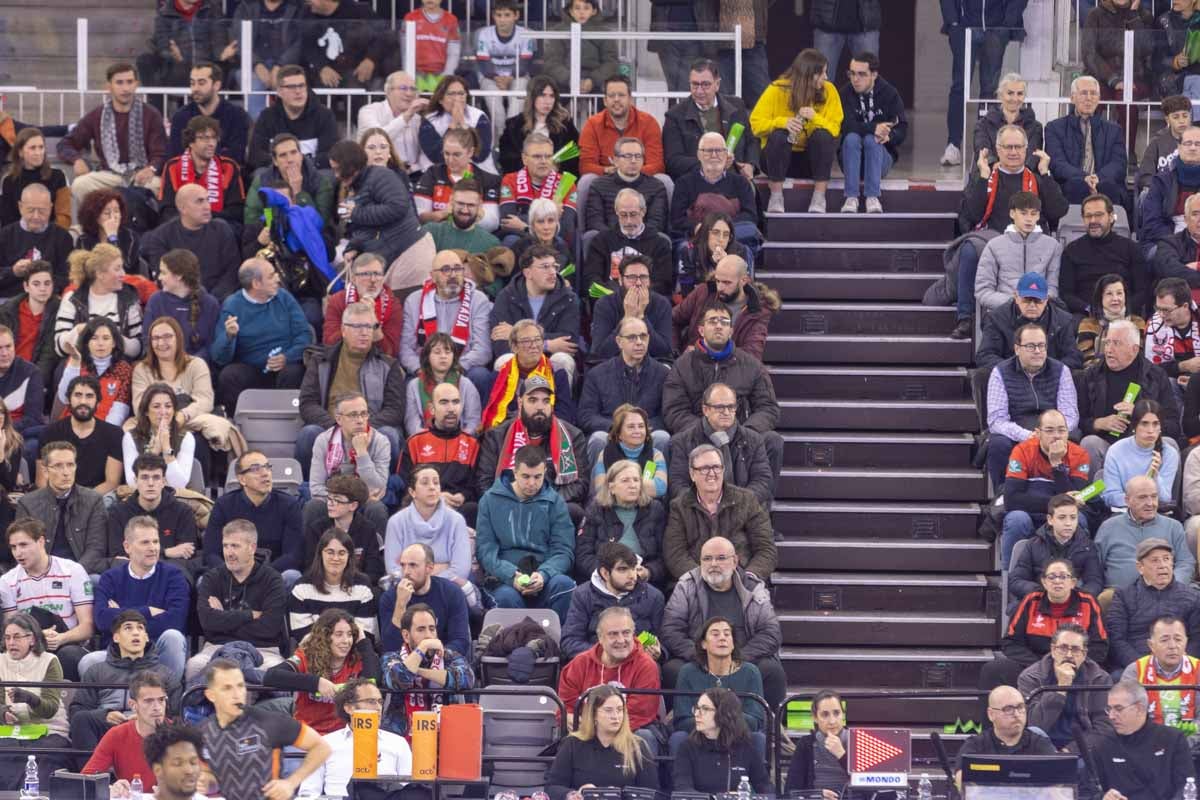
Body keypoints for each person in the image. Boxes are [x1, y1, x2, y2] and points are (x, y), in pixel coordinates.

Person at [950, 124, 1067, 339]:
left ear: (1026, 149)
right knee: (968, 250)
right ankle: (965, 317)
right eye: (1008, 147)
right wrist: (983, 177)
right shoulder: (986, 176)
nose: (1013, 152)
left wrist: (1045, 173)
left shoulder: (1037, 177)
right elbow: (972, 215)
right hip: (993, 241)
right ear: (997, 149)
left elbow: (1058, 210)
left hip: (1034, 242)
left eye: (1018, 147)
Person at [661, 535, 784, 709]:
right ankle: (685, 726)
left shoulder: (753, 587)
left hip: (744, 660)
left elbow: (771, 633)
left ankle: (767, 728)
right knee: (672, 670)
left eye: (720, 558)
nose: (713, 564)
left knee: (772, 671)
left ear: (735, 561)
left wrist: (737, 659)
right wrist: (702, 657)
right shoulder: (686, 585)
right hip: (699, 660)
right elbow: (670, 630)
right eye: (707, 559)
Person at [199, 657, 332, 796]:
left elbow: (322, 747)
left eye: (240, 686)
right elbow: (210, 777)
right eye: (227, 688)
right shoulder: (203, 732)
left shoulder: (268, 722)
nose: (236, 694)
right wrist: (206, 783)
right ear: (211, 695)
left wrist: (291, 783)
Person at [476, 442, 577, 618]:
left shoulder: (555, 502)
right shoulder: (490, 500)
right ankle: (513, 643)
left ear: (545, 472)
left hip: (544, 576)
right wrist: (510, 575)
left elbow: (563, 550)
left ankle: (559, 643)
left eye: (538, 477)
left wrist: (544, 574)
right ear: (514, 472)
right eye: (526, 476)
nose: (532, 483)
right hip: (504, 580)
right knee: (506, 598)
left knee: (564, 585)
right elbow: (486, 551)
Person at [984, 558, 1109, 691]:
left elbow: (1100, 647)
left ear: (1073, 582)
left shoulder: (1088, 602)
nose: (1057, 581)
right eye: (1051, 577)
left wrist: (1071, 664)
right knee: (992, 670)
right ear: (1044, 582)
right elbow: (1011, 643)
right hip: (1034, 665)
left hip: (1076, 666)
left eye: (1063, 577)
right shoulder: (1031, 601)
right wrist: (1042, 666)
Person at [89, 516, 190, 677]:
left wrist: (121, 616)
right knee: (87, 662)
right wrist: (148, 611)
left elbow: (176, 621)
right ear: (127, 547)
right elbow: (102, 620)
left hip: (156, 651)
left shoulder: (174, 575)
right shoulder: (110, 577)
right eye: (145, 542)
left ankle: (170, 697)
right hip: (118, 651)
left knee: (173, 637)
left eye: (156, 542)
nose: (153, 548)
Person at [210, 257, 312, 414]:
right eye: (271, 276)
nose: (278, 278)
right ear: (256, 284)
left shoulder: (283, 297)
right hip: (253, 370)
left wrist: (287, 357)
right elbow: (219, 357)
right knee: (230, 375)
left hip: (285, 366)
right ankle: (237, 429)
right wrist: (229, 337)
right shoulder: (232, 305)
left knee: (294, 373)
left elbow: (304, 334)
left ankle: (289, 424)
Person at [330, 140, 435, 294]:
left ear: (350, 165)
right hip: (392, 257)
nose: (336, 175)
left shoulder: (381, 175)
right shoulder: (360, 186)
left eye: (338, 169)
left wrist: (356, 213)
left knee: (405, 312)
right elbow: (371, 227)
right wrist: (354, 247)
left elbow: (397, 207)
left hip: (410, 253)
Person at [985, 324, 1081, 492]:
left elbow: (1070, 415)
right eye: (1030, 346)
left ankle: (1065, 493)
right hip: (1017, 431)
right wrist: (1027, 436)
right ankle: (1003, 494)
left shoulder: (1061, 371)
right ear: (1017, 349)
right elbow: (996, 420)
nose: (1037, 351)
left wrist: (1051, 433)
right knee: (997, 443)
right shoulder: (1000, 372)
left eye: (1041, 345)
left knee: (1074, 438)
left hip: (1053, 429)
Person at [1078, 320, 1181, 475]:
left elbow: (1173, 426)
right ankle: (1091, 498)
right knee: (1089, 443)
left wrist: (1140, 415)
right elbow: (1078, 421)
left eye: (1116, 344)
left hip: (1147, 447)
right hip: (1108, 445)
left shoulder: (1156, 376)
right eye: (1107, 343)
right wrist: (1099, 423)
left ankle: (1165, 499)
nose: (1109, 350)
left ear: (1134, 349)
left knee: (1170, 445)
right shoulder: (1091, 375)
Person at [68, 610, 181, 751]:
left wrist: (145, 716)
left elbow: (176, 715)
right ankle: (92, 772)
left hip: (150, 732)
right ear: (116, 637)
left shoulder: (165, 674)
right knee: (81, 720)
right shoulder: (96, 671)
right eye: (128, 628)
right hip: (107, 729)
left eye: (140, 628)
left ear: (146, 637)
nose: (135, 633)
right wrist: (105, 715)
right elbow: (77, 710)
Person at [0, 516, 95, 683]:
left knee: (68, 655)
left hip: (69, 643)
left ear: (41, 541)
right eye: (13, 547)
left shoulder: (72, 570)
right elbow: (10, 633)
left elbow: (87, 627)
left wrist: (61, 638)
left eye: (23, 545)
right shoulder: (7, 581)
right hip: (29, 647)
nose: (18, 553)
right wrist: (37, 637)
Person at [135, 316, 239, 467]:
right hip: (154, 424)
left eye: (167, 337)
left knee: (195, 441)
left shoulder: (196, 364)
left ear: (178, 338)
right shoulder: (141, 370)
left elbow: (205, 400)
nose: (161, 343)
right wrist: (165, 420)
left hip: (191, 422)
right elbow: (140, 405)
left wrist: (182, 415)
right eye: (156, 338)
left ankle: (198, 487)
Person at [189, 521, 288, 679]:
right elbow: (208, 622)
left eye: (235, 546)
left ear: (252, 548)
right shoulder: (212, 578)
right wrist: (249, 616)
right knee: (195, 666)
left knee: (273, 671)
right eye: (225, 546)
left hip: (263, 650)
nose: (229, 553)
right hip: (218, 647)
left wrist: (223, 617)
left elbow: (269, 628)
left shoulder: (272, 580)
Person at [56, 63, 166, 203]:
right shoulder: (97, 115)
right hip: (109, 175)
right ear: (109, 87)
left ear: (136, 84)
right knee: (80, 184)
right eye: (119, 83)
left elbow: (161, 152)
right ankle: (101, 223)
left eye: (129, 82)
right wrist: (76, 160)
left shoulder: (151, 114)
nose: (125, 88)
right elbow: (65, 144)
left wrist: (151, 168)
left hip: (141, 175)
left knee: (156, 185)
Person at [559, 607, 663, 754]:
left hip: (630, 731)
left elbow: (639, 714)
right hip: (585, 733)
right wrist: (568, 715)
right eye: (613, 634)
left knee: (644, 737)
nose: (621, 640)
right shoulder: (580, 663)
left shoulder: (646, 666)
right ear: (600, 638)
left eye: (626, 633)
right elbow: (566, 704)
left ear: (634, 634)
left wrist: (599, 731)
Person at [477, 373, 590, 508]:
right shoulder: (496, 436)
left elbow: (580, 484)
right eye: (532, 400)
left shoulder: (573, 436)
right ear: (520, 403)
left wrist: (544, 500)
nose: (540, 407)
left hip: (551, 507)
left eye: (546, 401)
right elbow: (484, 483)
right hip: (509, 507)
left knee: (573, 510)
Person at [751, 48, 843, 214]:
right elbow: (755, 124)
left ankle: (819, 197)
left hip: (810, 162)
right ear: (810, 74)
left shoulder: (830, 90)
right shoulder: (776, 89)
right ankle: (776, 197)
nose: (826, 77)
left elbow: (835, 130)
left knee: (822, 136)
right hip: (776, 161)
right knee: (779, 135)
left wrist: (816, 118)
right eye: (822, 73)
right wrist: (782, 122)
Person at [265, 608, 380, 733]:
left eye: (350, 634)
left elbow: (372, 682)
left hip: (344, 736)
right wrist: (317, 683)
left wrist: (363, 642)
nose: (346, 641)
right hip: (308, 735)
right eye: (339, 634)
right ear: (325, 636)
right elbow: (271, 676)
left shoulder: (358, 658)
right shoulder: (305, 656)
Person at [298, 679, 413, 798]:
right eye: (371, 701)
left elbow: (409, 790)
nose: (378, 708)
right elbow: (308, 794)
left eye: (380, 702)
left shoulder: (397, 743)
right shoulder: (324, 744)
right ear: (349, 708)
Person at [544, 684, 658, 800]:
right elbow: (552, 787)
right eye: (608, 710)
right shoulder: (572, 743)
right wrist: (572, 794)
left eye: (620, 710)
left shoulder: (637, 746)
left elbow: (651, 793)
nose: (616, 716)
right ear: (593, 714)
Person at [487, 261, 581, 399]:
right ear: (527, 273)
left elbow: (569, 341)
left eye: (555, 267)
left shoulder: (568, 297)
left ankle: (559, 414)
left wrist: (516, 334)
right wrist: (549, 344)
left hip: (551, 359)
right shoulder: (506, 296)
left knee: (562, 359)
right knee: (505, 360)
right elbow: (500, 343)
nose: (552, 272)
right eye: (545, 267)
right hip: (518, 358)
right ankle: (509, 415)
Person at [579, 315, 670, 460]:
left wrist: (640, 428)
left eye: (643, 336)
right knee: (597, 439)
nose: (639, 342)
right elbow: (586, 415)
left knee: (662, 438)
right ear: (619, 342)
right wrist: (619, 427)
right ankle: (600, 482)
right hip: (611, 434)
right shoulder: (597, 374)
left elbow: (667, 414)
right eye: (632, 337)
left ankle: (653, 479)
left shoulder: (663, 373)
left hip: (646, 435)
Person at [202, 452, 304, 579]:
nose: (265, 473)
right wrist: (234, 573)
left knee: (292, 576)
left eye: (267, 467)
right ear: (242, 479)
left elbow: (293, 554)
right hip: (232, 574)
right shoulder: (224, 505)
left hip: (272, 575)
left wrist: (259, 575)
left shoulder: (289, 505)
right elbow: (211, 553)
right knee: (204, 581)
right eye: (256, 469)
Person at [1086, 681, 1195, 798]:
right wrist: (1103, 797)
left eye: (1118, 709)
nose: (1111, 716)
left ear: (1139, 708)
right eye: (1109, 709)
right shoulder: (1103, 745)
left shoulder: (1173, 739)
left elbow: (1186, 787)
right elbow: (1088, 791)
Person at [1105, 537, 1200, 670]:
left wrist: (1180, 665)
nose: (1162, 565)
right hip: (1136, 666)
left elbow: (1197, 639)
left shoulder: (1192, 596)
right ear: (1140, 567)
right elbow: (1117, 640)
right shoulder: (1123, 597)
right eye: (1155, 560)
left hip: (1181, 666)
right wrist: (1143, 667)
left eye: (1166, 559)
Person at [380, 603, 475, 735]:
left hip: (445, 735)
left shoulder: (449, 657)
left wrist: (418, 671)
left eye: (432, 629)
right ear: (406, 636)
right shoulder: (391, 658)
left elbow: (466, 679)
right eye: (421, 630)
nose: (428, 636)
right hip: (402, 738)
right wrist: (422, 648)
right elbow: (398, 680)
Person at [0, 612, 71, 789]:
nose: (11, 643)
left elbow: (50, 709)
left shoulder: (49, 661)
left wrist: (28, 698)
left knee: (44, 757)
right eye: (7, 637)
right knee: (7, 755)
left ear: (31, 639)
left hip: (49, 729)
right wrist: (4, 713)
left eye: (17, 637)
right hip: (11, 729)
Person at [400, 249, 494, 381]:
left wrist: (455, 369)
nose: (453, 275)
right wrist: (420, 369)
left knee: (480, 375)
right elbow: (406, 349)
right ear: (433, 276)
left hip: (462, 369)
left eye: (457, 269)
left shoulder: (478, 299)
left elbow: (483, 349)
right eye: (446, 269)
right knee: (407, 381)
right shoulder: (414, 300)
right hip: (425, 369)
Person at [673, 617, 765, 750]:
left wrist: (711, 717)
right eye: (715, 634)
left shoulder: (751, 672)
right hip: (699, 737)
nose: (722, 638)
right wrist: (725, 718)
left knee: (758, 738)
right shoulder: (687, 672)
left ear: (733, 644)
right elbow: (682, 721)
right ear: (703, 643)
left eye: (727, 634)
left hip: (738, 736)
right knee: (678, 738)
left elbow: (754, 722)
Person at [562, 540, 666, 659]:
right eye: (623, 569)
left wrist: (659, 652)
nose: (632, 575)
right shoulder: (583, 595)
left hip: (638, 665)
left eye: (634, 568)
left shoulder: (654, 596)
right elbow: (570, 641)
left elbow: (664, 642)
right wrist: (607, 654)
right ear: (605, 573)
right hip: (596, 664)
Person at [19, 439, 108, 574]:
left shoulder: (93, 500)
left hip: (81, 571)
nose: (66, 472)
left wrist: (74, 574)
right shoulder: (27, 504)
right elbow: (25, 549)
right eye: (58, 466)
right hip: (41, 573)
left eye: (70, 465)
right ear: (45, 470)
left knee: (95, 581)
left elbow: (96, 548)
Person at [305, 392, 394, 528]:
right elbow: (316, 489)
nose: (360, 420)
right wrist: (343, 501)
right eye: (353, 415)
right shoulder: (323, 440)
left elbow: (378, 488)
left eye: (364, 414)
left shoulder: (380, 441)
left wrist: (362, 454)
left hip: (363, 503)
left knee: (376, 508)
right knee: (313, 506)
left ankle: (379, 549)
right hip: (333, 500)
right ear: (339, 419)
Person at [1019, 623, 1113, 749]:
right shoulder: (1031, 677)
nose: (1069, 655)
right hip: (1040, 745)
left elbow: (1103, 727)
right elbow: (1035, 725)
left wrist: (1070, 750)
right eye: (1063, 648)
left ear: (1084, 654)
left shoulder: (1100, 679)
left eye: (1075, 650)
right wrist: (1061, 687)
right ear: (1053, 650)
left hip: (1083, 746)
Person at [107, 454, 202, 579]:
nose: (150, 483)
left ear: (164, 481)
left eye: (156, 478)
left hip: (171, 577)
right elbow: (118, 556)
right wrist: (167, 552)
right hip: (131, 578)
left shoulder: (183, 512)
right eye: (144, 477)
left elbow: (186, 554)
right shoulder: (118, 513)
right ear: (136, 481)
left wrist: (139, 555)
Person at [141, 184, 242, 301]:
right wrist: (192, 300)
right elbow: (164, 277)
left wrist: (211, 300)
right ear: (182, 208)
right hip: (179, 301)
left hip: (219, 301)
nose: (207, 207)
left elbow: (232, 272)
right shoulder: (162, 236)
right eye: (199, 201)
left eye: (207, 200)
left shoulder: (222, 229)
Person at [401, 381, 482, 526]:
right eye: (444, 402)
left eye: (455, 402)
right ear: (432, 408)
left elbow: (476, 486)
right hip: (423, 508)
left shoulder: (472, 444)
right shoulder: (415, 442)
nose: (451, 409)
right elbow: (404, 486)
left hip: (460, 509)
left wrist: (463, 496)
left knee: (473, 509)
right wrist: (435, 497)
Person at [663, 59, 757, 182]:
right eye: (695, 84)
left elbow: (752, 142)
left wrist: (750, 165)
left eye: (705, 84)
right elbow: (672, 161)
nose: (699, 91)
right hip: (696, 180)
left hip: (735, 178)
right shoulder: (675, 115)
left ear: (717, 84)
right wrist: (710, 164)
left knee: (747, 193)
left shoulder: (736, 106)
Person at [837, 51, 907, 214]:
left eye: (862, 74)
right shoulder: (845, 93)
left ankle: (872, 197)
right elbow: (844, 125)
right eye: (852, 73)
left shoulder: (889, 93)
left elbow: (902, 128)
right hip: (850, 160)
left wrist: (889, 136)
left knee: (871, 140)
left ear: (874, 75)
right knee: (852, 138)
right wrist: (874, 127)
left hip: (880, 160)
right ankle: (851, 197)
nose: (855, 79)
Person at [1082, 0, 1153, 161]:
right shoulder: (1095, 15)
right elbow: (1089, 54)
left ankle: (1127, 154)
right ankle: (1089, 153)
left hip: (1136, 76)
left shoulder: (1143, 15)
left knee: (1126, 97)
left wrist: (1134, 16)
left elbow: (1147, 48)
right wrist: (1113, 79)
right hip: (1101, 75)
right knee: (1091, 96)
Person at [577, 451, 668, 577]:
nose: (632, 485)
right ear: (611, 487)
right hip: (604, 578)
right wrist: (607, 575)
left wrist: (648, 572)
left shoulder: (655, 509)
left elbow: (665, 556)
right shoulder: (596, 509)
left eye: (636, 480)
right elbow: (583, 555)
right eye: (625, 480)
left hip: (642, 580)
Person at [1096, 478, 1193, 594]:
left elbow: (1185, 563)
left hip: (1165, 595)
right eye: (1142, 497)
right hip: (1118, 597)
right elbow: (1094, 568)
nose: (1150, 503)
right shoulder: (1108, 527)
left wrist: (1170, 586)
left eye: (1154, 496)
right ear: (1127, 500)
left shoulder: (1173, 526)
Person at [81, 671, 171, 796]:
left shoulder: (180, 735)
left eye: (161, 700)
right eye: (149, 701)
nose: (157, 707)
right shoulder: (117, 735)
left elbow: (202, 779)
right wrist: (109, 788)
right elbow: (86, 779)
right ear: (133, 705)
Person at [1044, 75, 1129, 207]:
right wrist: (1084, 177)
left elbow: (1119, 164)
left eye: (1093, 93)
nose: (1089, 98)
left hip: (1103, 181)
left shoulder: (1114, 130)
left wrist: (1098, 177)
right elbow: (1056, 163)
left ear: (1099, 98)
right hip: (1071, 184)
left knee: (1108, 187)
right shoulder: (1054, 128)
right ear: (1072, 98)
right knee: (1076, 186)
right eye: (1083, 93)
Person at [669, 133, 759, 254]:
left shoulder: (741, 182)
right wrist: (706, 229)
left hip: (732, 236)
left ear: (727, 154)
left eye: (719, 150)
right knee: (683, 247)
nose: (714, 155)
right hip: (698, 237)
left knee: (749, 233)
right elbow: (677, 220)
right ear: (699, 155)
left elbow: (750, 216)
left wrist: (723, 230)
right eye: (708, 151)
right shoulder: (684, 183)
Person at [974, 194, 1064, 315]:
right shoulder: (994, 245)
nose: (1029, 219)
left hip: (1040, 310)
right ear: (1012, 214)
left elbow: (1053, 288)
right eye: (1023, 213)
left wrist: (1034, 303)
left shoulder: (1052, 246)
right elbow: (983, 291)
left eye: (1033, 214)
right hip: (1004, 311)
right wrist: (1016, 303)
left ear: (1038, 216)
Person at [1060, 193, 1148, 317]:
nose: (1093, 221)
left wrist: (1121, 310)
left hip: (1124, 314)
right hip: (1086, 315)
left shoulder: (1131, 248)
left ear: (1111, 217)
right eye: (1088, 216)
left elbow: (1142, 291)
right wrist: (1089, 309)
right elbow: (1066, 294)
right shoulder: (1072, 250)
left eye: (1099, 215)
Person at [1008, 494, 1104, 606]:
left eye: (1073, 517)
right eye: (1062, 517)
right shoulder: (1033, 545)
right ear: (1050, 519)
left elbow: (1095, 582)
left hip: (1073, 604)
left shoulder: (1087, 546)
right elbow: (1016, 580)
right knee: (1016, 609)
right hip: (1038, 603)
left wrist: (1073, 596)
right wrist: (1045, 592)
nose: (1068, 523)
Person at [288, 526, 379, 643]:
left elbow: (364, 636)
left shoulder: (363, 587)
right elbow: (303, 637)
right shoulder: (302, 588)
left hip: (353, 655)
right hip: (315, 656)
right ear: (320, 555)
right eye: (330, 552)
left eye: (342, 553)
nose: (336, 558)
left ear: (349, 557)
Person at [377, 542, 471, 655]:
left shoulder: (452, 593)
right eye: (403, 565)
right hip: (404, 665)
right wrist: (400, 605)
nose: (406, 572)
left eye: (413, 565)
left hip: (443, 661)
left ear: (429, 568)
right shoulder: (389, 598)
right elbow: (390, 648)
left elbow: (460, 641)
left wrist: (435, 659)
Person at [672, 687, 771, 794]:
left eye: (705, 709)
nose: (696, 714)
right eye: (696, 708)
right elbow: (683, 789)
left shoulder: (745, 748)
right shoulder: (687, 748)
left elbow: (765, 789)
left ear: (724, 713)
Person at [954, 685, 1056, 788]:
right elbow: (961, 778)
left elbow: (1057, 782)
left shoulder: (1040, 743)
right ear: (991, 714)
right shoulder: (975, 744)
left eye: (1020, 707)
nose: (1017, 714)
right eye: (1008, 709)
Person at [35, 376, 123, 495]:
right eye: (78, 395)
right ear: (69, 399)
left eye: (89, 396)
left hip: (96, 498)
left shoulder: (114, 434)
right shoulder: (50, 432)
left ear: (98, 401)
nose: (83, 402)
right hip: (56, 497)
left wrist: (81, 501)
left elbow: (111, 483)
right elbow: (42, 481)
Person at [159, 116, 246, 234]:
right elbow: (166, 209)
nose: (211, 143)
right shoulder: (173, 167)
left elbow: (237, 210)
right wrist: (192, 220)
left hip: (218, 227)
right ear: (190, 142)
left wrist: (204, 217)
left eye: (214, 138)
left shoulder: (229, 166)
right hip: (182, 228)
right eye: (204, 138)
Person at [976, 273, 1081, 370]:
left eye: (1037, 300)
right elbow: (985, 355)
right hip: (1010, 377)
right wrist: (1017, 369)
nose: (1032, 305)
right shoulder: (996, 318)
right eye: (1026, 299)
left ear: (1046, 299)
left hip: (1050, 378)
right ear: (1016, 297)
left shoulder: (1063, 320)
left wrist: (1045, 370)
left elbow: (1074, 357)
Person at [584, 189, 675, 300]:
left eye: (633, 214)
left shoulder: (660, 244)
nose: (628, 221)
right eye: (623, 215)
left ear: (643, 211)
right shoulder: (601, 241)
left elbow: (663, 283)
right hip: (610, 303)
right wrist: (617, 297)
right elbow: (591, 278)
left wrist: (635, 295)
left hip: (646, 303)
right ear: (616, 211)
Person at [246, 64, 339, 169]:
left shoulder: (324, 115)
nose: (298, 91)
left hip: (313, 173)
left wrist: (300, 165)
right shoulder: (267, 117)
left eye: (301, 86)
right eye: (291, 87)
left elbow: (331, 155)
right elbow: (255, 155)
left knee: (327, 177)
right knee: (260, 175)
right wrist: (284, 166)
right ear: (279, 92)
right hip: (276, 173)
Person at [299, 474, 385, 587]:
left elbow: (373, 571)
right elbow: (310, 567)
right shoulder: (317, 528)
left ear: (353, 506)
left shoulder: (368, 530)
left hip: (356, 587)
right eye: (329, 499)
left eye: (337, 500)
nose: (330, 503)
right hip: (322, 585)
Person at [244, 131, 337, 231]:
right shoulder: (263, 182)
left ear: (301, 155)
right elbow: (251, 221)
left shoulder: (319, 181)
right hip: (274, 237)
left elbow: (320, 224)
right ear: (275, 161)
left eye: (294, 152)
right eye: (283, 155)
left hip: (310, 239)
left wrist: (298, 193)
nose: (290, 159)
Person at [1120, 615, 1200, 728]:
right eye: (1164, 640)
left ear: (1186, 642)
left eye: (1178, 639)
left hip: (1191, 741)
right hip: (1147, 740)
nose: (1172, 646)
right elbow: (1128, 717)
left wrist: (1183, 741)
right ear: (1151, 645)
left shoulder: (1198, 669)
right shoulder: (1135, 671)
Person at [578, 77, 667, 179]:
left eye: (621, 95)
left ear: (630, 99)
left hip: (641, 180)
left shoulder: (648, 122)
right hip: (607, 180)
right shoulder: (592, 124)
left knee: (664, 180)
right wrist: (608, 170)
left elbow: (657, 165)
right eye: (611, 96)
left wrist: (630, 171)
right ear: (605, 101)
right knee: (587, 180)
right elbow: (585, 166)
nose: (616, 99)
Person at [499, 133, 579, 246]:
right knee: (511, 240)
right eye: (537, 156)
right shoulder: (510, 180)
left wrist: (525, 226)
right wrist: (551, 214)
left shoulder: (566, 183)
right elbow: (507, 222)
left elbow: (567, 228)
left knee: (560, 243)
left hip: (554, 243)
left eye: (548, 156)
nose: (544, 161)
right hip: (522, 242)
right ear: (524, 159)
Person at [415, 129, 502, 232]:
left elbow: (492, 223)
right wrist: (442, 214)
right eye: (446, 154)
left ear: (470, 152)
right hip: (437, 235)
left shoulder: (489, 180)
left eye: (456, 155)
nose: (450, 160)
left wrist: (465, 213)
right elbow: (418, 217)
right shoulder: (432, 174)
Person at [55, 316, 134, 427]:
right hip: (71, 425)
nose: (100, 343)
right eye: (94, 338)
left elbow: (120, 410)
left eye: (106, 338)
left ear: (114, 343)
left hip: (104, 429)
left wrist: (99, 432)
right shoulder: (76, 360)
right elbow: (64, 398)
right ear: (87, 342)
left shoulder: (124, 369)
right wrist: (74, 363)